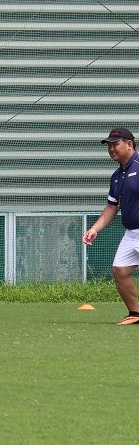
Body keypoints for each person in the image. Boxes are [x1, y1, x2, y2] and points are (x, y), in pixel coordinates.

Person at [83, 127, 139, 325]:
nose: (111, 149)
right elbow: (111, 207)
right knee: (120, 270)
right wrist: (94, 229)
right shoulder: (117, 175)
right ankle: (135, 313)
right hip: (131, 232)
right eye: (109, 146)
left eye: (115, 144)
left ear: (129, 144)